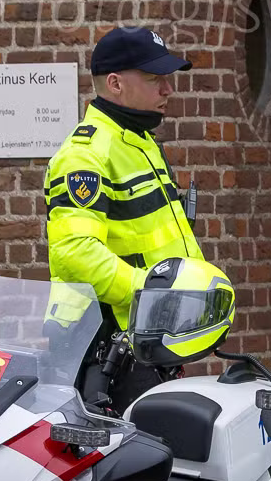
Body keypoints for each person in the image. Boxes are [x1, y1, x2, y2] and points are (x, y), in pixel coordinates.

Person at [43, 27, 202, 340]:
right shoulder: (85, 155)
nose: (168, 89)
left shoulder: (140, 143)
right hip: (100, 337)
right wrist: (152, 294)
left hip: (147, 326)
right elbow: (75, 253)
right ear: (115, 84)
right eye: (155, 78)